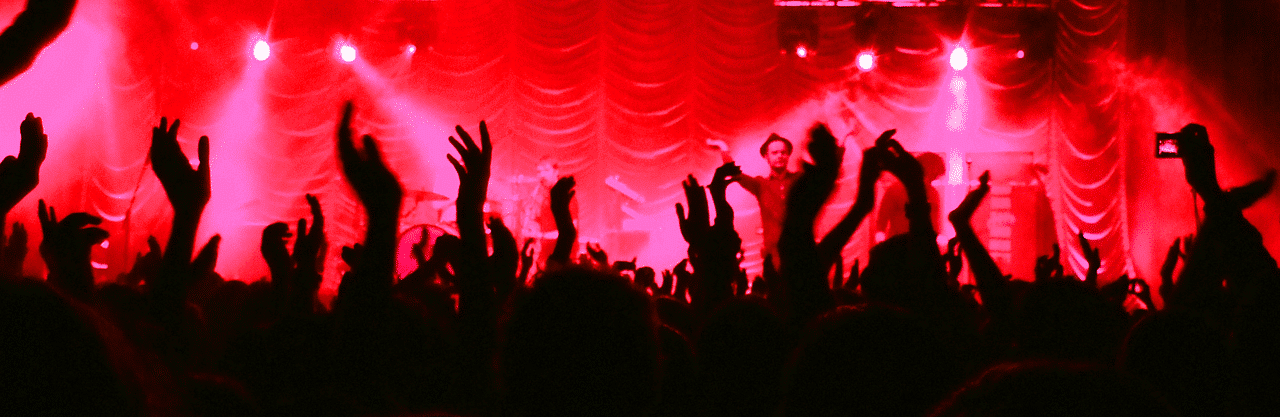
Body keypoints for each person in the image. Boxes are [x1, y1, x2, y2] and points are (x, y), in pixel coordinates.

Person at [714, 133, 801, 268]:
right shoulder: (761, 184)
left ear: (789, 155)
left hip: (800, 250)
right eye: (775, 153)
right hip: (774, 255)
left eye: (783, 152)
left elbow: (825, 175)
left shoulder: (799, 180)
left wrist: (842, 143)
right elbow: (736, 174)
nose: (780, 156)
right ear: (766, 157)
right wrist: (724, 150)